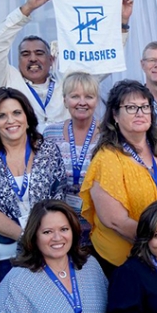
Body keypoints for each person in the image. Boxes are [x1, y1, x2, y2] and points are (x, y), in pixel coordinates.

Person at [80, 80, 157, 276]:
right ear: (115, 115)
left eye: (144, 106)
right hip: (126, 261)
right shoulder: (107, 158)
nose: (140, 112)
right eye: (131, 107)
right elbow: (115, 221)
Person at [0, 0, 133, 128]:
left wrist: (123, 23)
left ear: (51, 59)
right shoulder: (7, 79)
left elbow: (102, 62)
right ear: (18, 60)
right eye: (25, 54)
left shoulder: (67, 80)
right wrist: (27, 8)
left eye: (39, 53)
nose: (33, 58)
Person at [0, 88, 65, 305]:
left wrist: (45, 239)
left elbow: (58, 200)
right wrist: (28, 237)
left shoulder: (48, 151)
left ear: (27, 118)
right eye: (2, 115)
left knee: (50, 312)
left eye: (16, 113)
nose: (10, 120)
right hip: (3, 253)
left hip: (48, 250)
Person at [42, 72, 102, 246]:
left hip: (98, 224)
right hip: (61, 228)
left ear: (96, 100)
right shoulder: (50, 133)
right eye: (75, 96)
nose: (82, 102)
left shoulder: (109, 133)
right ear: (65, 100)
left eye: (89, 96)